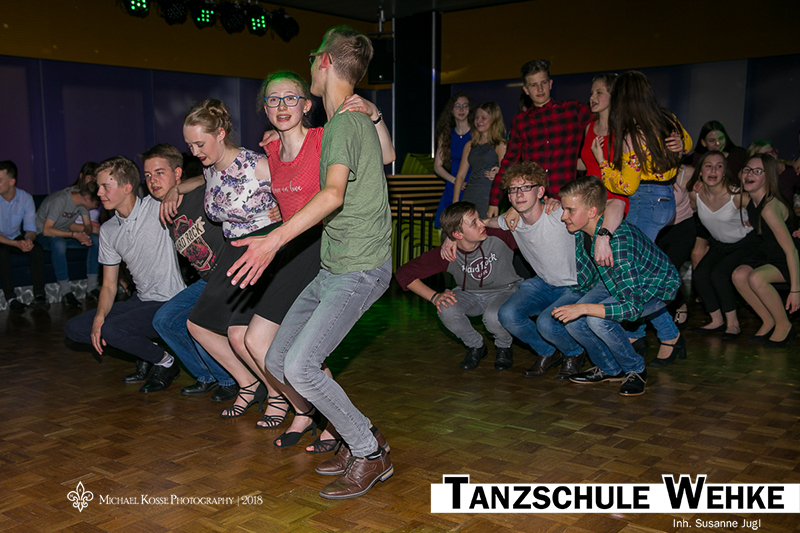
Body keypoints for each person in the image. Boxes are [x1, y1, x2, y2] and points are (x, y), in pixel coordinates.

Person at [227, 26, 393, 500]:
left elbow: (332, 194)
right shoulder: (348, 118)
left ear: (324, 62)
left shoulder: (344, 123)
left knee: (300, 367)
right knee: (278, 359)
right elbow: (385, 157)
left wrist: (271, 241)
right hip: (333, 266)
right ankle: (357, 434)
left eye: (311, 58)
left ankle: (369, 452)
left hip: (359, 267)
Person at [64, 156, 186, 392]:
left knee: (112, 330)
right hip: (141, 300)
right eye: (98, 186)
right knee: (76, 328)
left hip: (169, 301)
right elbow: (109, 285)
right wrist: (99, 318)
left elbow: (203, 180)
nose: (99, 192)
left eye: (105, 186)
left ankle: (166, 362)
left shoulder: (156, 206)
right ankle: (147, 352)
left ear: (127, 187)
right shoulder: (109, 230)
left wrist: (176, 190)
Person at [553, 176, 682, 395]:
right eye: (563, 209)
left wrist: (583, 307)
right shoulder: (582, 230)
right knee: (574, 322)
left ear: (592, 212)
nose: (563, 216)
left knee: (597, 320)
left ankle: (636, 369)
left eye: (570, 210)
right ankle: (610, 369)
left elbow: (632, 308)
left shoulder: (618, 245)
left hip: (655, 287)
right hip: (615, 280)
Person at [142, 144, 239, 402]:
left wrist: (179, 188)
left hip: (231, 276)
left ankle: (229, 379)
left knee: (198, 320)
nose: (152, 181)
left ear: (177, 173)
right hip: (206, 282)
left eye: (159, 172)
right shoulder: (165, 212)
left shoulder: (200, 193)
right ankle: (206, 375)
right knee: (164, 320)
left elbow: (217, 173)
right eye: (147, 175)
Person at [491, 161, 587, 379]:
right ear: (509, 197)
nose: (519, 194)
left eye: (526, 187)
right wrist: (452, 238)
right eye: (513, 189)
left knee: (546, 323)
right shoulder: (512, 220)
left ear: (541, 191)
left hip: (573, 285)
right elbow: (481, 224)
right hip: (544, 283)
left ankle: (574, 353)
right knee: (507, 315)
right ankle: (549, 351)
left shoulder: (559, 213)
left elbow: (597, 208)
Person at [396, 201, 519, 370]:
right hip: (469, 293)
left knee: (492, 316)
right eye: (474, 223)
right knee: (446, 307)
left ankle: (504, 347)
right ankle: (476, 346)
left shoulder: (499, 235)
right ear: (458, 234)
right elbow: (404, 274)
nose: (481, 224)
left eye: (479, 218)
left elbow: (527, 226)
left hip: (504, 291)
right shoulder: (448, 253)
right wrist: (434, 297)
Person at [487, 59, 593, 214]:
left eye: (543, 82)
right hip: (534, 202)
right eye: (533, 85)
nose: (540, 88)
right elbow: (509, 162)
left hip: (566, 199)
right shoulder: (521, 121)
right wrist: (494, 201)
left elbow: (603, 125)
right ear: (526, 89)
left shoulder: (572, 110)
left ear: (550, 83)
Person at [732, 154, 800, 347]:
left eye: (757, 171)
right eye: (747, 170)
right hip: (770, 253)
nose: (749, 174)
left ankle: (784, 325)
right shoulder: (751, 199)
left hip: (790, 257)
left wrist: (795, 290)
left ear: (768, 177)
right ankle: (768, 320)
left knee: (756, 278)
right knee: (739, 275)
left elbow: (792, 252)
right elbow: (723, 192)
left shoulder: (769, 208)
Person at [688, 151, 754, 338]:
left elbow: (764, 206)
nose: (713, 171)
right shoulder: (695, 195)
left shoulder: (737, 196)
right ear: (701, 171)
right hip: (719, 244)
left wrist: (755, 220)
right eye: (708, 166)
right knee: (700, 275)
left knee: (718, 275)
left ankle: (733, 324)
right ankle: (716, 320)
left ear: (725, 172)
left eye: (719, 166)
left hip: (744, 243)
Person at [35, 180, 100, 308]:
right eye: (96, 204)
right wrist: (74, 235)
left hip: (63, 234)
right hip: (43, 235)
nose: (95, 207)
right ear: (87, 199)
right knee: (59, 243)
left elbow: (87, 225)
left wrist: (84, 235)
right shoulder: (60, 200)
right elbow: (47, 230)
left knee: (95, 240)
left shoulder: (82, 202)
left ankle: (92, 288)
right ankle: (66, 292)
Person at [0, 160, 49, 314]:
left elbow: (30, 229)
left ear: (11, 181)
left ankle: (40, 296)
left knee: (36, 249)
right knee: (1, 252)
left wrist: (28, 241)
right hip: (2, 240)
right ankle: (11, 299)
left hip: (15, 237)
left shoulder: (25, 198)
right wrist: (17, 244)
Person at [452, 102, 507, 218]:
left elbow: (507, 172)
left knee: (484, 226)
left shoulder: (499, 144)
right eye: (477, 118)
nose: (478, 121)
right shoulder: (470, 145)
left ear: (494, 120)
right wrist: (455, 202)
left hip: (489, 195)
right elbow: (460, 176)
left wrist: (499, 172)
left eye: (483, 118)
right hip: (470, 193)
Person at [433, 92, 473, 228]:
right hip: (453, 184)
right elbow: (437, 166)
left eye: (465, 106)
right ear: (451, 109)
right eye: (457, 106)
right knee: (447, 228)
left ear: (470, 109)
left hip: (472, 185)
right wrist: (455, 181)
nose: (461, 109)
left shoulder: (476, 133)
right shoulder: (446, 135)